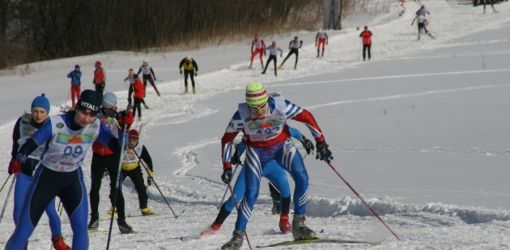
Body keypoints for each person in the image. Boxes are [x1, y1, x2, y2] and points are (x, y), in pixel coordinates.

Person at [219, 82, 333, 250]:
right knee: (251, 193)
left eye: (261, 107)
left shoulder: (281, 106)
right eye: (253, 108)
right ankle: (237, 237)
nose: (257, 112)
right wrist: (227, 166)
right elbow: (227, 139)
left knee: (302, 178)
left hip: (282, 147)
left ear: (267, 100)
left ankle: (298, 225)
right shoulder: (241, 115)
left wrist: (321, 142)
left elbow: (306, 116)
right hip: (257, 153)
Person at [5, 89, 122, 250]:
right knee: (23, 230)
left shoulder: (95, 126)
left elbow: (117, 146)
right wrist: (20, 156)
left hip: (72, 180)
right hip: (46, 179)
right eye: (83, 112)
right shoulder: (56, 123)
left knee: (81, 229)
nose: (86, 118)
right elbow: (32, 142)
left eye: (91, 114)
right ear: (77, 107)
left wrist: (124, 128)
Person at [201, 127, 315, 237]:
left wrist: (305, 140)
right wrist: (236, 156)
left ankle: (284, 221)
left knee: (285, 191)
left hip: (272, 166)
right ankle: (215, 226)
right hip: (252, 166)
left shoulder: (278, 125)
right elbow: (244, 141)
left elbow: (293, 131)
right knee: (235, 199)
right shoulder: (253, 129)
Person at [8, 94, 71, 250]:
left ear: (47, 113)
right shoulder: (22, 122)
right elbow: (16, 143)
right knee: (18, 210)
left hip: (43, 175)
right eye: (35, 111)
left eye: (42, 111)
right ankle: (21, 239)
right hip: (24, 172)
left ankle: (58, 240)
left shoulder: (52, 125)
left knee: (50, 210)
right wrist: (13, 160)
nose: (38, 115)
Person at [88, 92, 134, 234]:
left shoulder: (117, 116)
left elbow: (124, 132)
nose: (109, 110)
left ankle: (122, 222)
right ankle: (94, 217)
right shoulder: (96, 116)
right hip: (98, 156)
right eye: (106, 108)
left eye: (111, 107)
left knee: (116, 189)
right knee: (94, 187)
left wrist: (127, 121)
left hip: (113, 156)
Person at [120, 129, 154, 216]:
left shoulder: (140, 147)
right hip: (122, 168)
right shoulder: (121, 144)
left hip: (134, 168)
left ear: (137, 140)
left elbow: (148, 160)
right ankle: (115, 207)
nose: (132, 142)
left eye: (134, 140)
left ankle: (144, 208)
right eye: (130, 140)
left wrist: (150, 175)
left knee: (141, 188)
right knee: (115, 187)